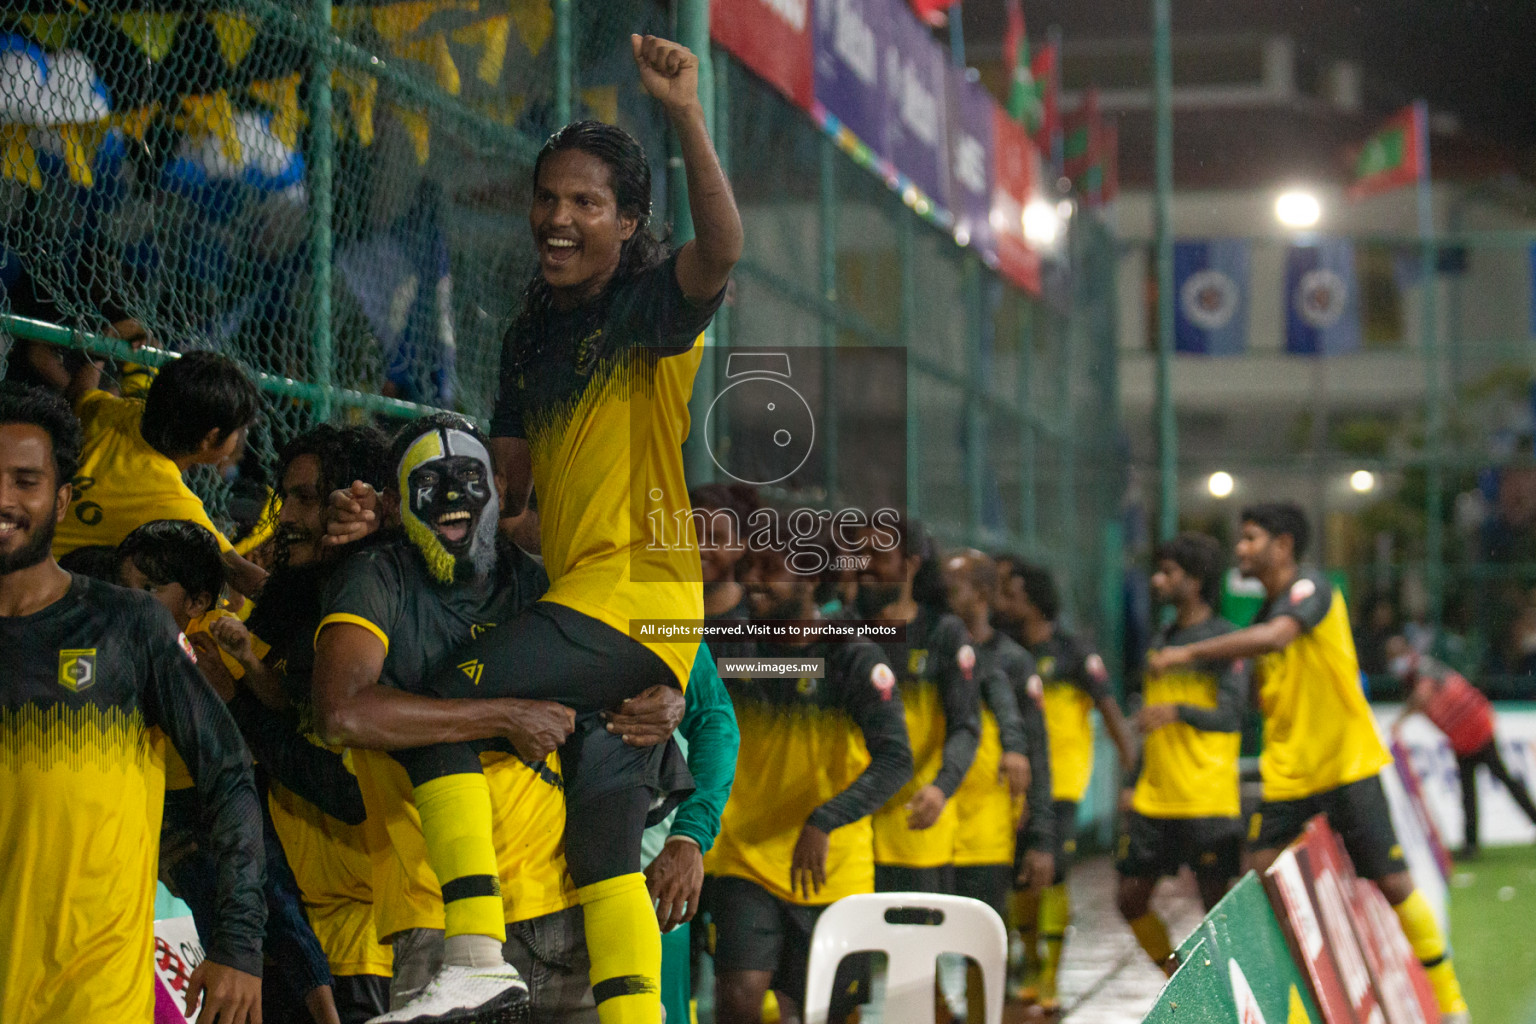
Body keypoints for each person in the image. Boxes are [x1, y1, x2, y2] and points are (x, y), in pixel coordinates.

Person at [323, 32, 741, 1024]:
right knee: (606, 803)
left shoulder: (649, 311)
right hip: (592, 610)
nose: (558, 217)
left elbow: (721, 248)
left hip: (633, 601)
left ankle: (473, 946)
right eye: (546, 197)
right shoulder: (527, 334)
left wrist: (684, 112)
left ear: (627, 219)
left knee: (433, 697)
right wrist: (402, 508)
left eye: (586, 202)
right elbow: (503, 499)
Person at [313, 414, 688, 1024]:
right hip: (437, 915)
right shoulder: (377, 578)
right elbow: (341, 713)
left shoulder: (539, 581)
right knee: (441, 701)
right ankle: (476, 954)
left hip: (568, 908)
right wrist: (504, 713)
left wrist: (671, 696)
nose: (455, 495)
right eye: (431, 481)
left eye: (469, 477)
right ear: (392, 501)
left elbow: (637, 650)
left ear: (499, 489)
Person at [0, 382, 266, 1023]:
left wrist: (239, 947)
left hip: (91, 999)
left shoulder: (129, 626)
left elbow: (228, 774)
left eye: (25, 480)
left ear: (63, 500)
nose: (3, 498)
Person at [1149, 503, 1468, 1023]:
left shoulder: (1310, 592)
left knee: (1393, 884)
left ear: (1283, 546)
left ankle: (1451, 1004)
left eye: (1250, 538)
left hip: (1347, 767)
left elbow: (1276, 639)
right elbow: (1254, 693)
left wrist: (1190, 655)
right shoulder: (1260, 616)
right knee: (1253, 887)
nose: (1241, 549)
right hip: (1286, 777)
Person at [114, 518, 348, 1024]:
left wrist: (245, 660)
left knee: (276, 902)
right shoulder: (117, 647)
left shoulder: (217, 637)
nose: (133, 601)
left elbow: (282, 703)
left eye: (151, 589)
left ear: (197, 601)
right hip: (168, 807)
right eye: (125, 588)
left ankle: (327, 1011)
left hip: (235, 796)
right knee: (208, 914)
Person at [707, 542, 914, 1024]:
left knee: (824, 1013)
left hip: (833, 869)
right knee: (738, 1000)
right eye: (749, 566)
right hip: (746, 859)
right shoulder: (733, 645)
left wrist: (826, 819)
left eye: (768, 567)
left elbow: (895, 759)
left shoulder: (855, 658)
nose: (752, 578)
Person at [992, 556, 1134, 1012]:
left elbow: (1111, 714)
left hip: (1064, 782)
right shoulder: (1007, 650)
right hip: (1014, 782)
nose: (1002, 601)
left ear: (1031, 599)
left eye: (1010, 593)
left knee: (1052, 872)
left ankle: (1050, 976)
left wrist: (1134, 777)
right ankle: (1028, 961)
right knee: (1019, 875)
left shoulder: (1074, 651)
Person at [1118, 533, 1245, 977]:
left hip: (1206, 798)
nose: (1157, 580)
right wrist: (1132, 783)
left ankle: (1231, 997)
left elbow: (1231, 716)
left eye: (1168, 572)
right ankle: (1178, 976)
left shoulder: (1225, 640)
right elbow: (1149, 726)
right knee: (1129, 898)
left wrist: (1177, 711)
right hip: (1156, 797)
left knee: (1219, 911)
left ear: (1195, 581)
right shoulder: (1161, 639)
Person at [52, 349, 268, 597]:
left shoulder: (116, 412)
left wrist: (98, 351)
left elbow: (79, 394)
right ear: (210, 438)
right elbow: (238, 571)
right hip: (45, 595)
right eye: (239, 430)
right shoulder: (170, 500)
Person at [856, 520, 980, 898]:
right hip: (846, 829)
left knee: (916, 948)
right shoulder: (841, 629)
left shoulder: (943, 633)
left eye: (876, 555)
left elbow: (965, 725)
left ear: (909, 564)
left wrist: (942, 788)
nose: (864, 566)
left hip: (913, 827)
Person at [940, 550, 1050, 921]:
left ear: (984, 595)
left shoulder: (1012, 661)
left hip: (987, 826)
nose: (944, 597)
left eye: (954, 589)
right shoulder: (934, 652)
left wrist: (1040, 839)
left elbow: (1036, 748)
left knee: (980, 940)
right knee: (926, 940)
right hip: (930, 819)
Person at [1388, 635, 1536, 858]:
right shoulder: (1417, 670)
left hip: (1474, 729)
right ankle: (1471, 844)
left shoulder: (1421, 668)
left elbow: (1422, 696)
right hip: (1464, 733)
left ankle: (1472, 844)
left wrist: (1400, 720)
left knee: (1493, 782)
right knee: (1474, 788)